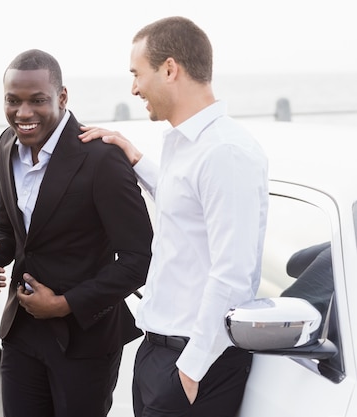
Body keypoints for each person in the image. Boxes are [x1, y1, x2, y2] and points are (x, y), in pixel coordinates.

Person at [79, 17, 269, 417]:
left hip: (197, 366)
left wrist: (191, 369)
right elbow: (184, 208)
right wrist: (135, 158)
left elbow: (232, 273)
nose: (133, 88)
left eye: (137, 73)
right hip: (159, 355)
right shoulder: (185, 145)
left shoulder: (226, 153)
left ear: (169, 69)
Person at [0, 49, 153, 417]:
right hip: (20, 334)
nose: (23, 113)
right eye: (12, 101)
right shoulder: (6, 145)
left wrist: (64, 305)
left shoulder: (101, 158)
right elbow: (5, 223)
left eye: (37, 100)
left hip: (84, 340)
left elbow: (139, 259)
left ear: (62, 97)